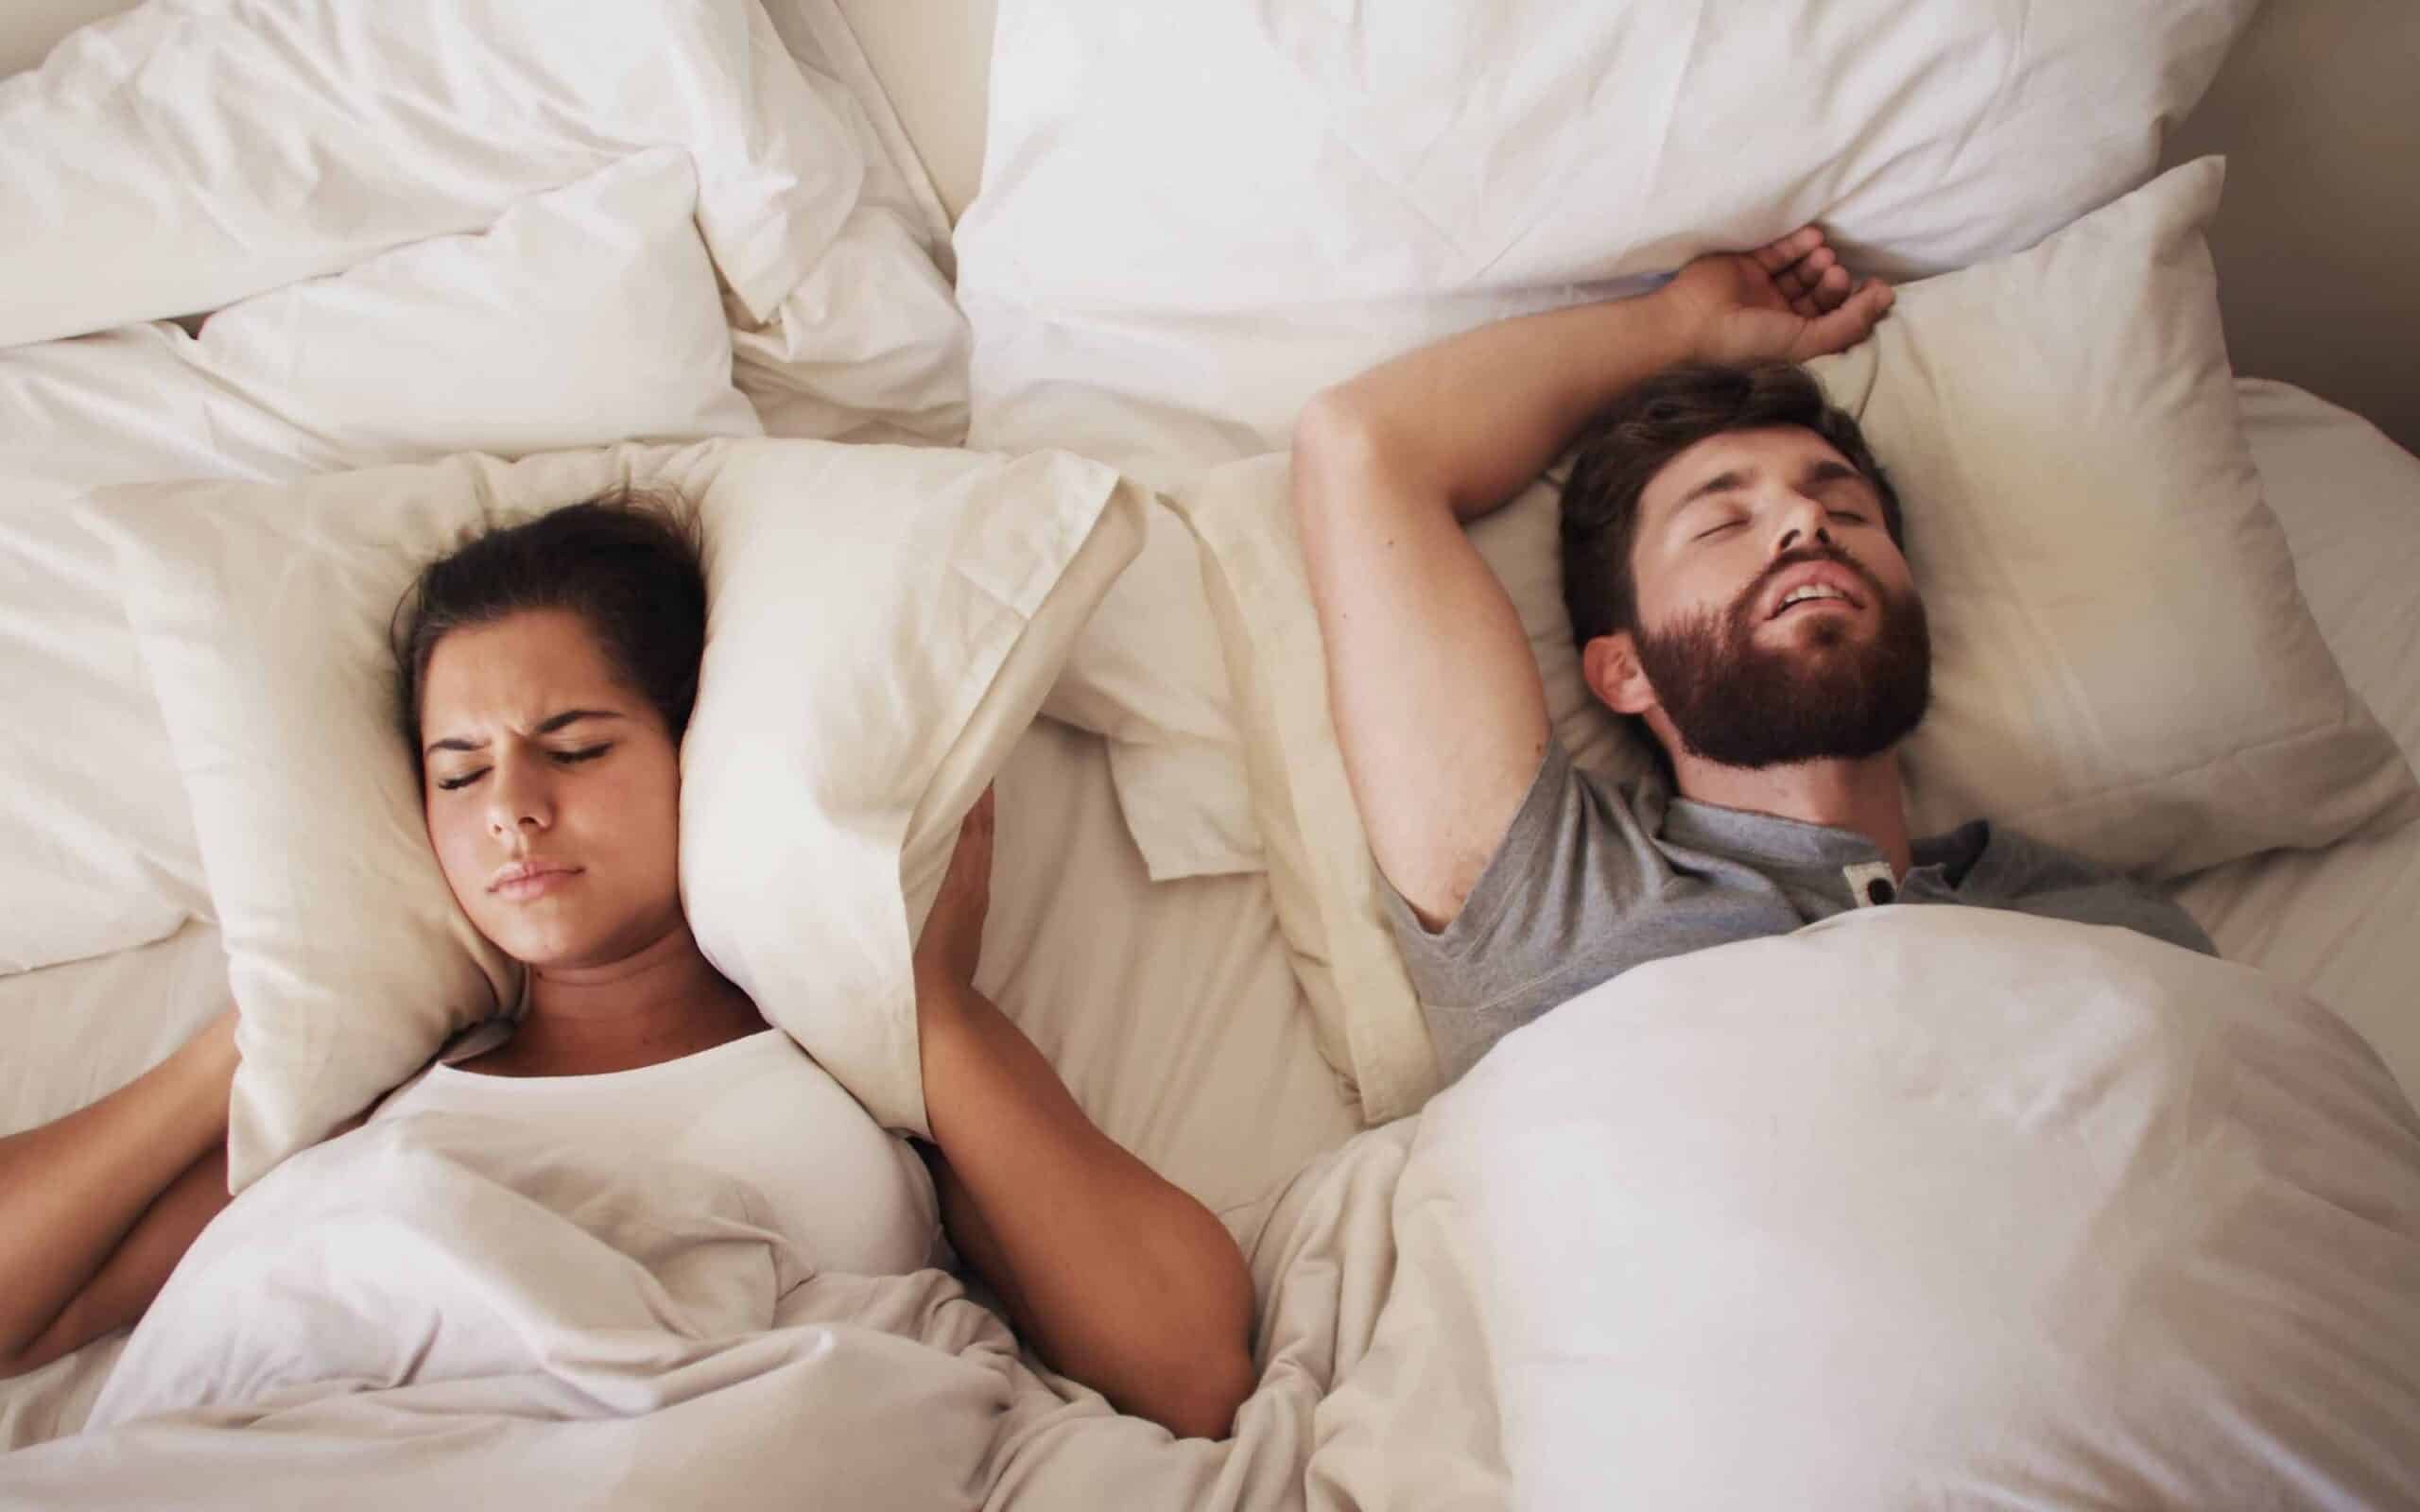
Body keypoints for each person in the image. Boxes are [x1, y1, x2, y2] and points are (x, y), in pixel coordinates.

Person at [0, 498, 1257, 1441]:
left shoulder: (856, 1080)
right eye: (459, 772)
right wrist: (263, 1029)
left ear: (696, 756)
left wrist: (926, 1006)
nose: (512, 809)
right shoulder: (371, 1116)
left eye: (576, 747)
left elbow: (1190, 1370)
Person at [1291, 228, 2216, 1085]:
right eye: (1724, 521)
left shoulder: (2109, 930)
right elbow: (1364, 446)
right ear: (1625, 669)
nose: (1809, 522)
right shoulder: (1551, 904)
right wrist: (1679, 325)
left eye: (1845, 512)